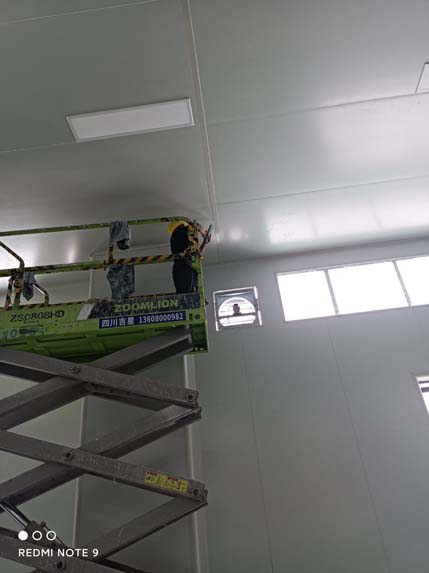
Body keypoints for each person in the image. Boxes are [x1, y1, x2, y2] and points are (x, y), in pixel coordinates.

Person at [168, 221, 209, 294]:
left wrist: (204, 240)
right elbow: (195, 225)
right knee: (187, 293)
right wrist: (204, 235)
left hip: (184, 268)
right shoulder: (179, 232)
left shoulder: (179, 236)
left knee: (186, 293)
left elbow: (196, 254)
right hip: (184, 268)